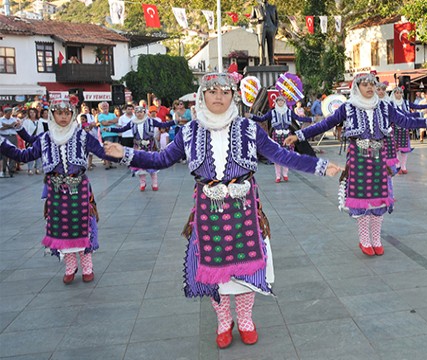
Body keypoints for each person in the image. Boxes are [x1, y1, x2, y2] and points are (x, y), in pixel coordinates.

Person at [103, 72, 341, 349]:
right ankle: (223, 321)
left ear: (233, 96)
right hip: (208, 211)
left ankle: (246, 320)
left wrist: (322, 167)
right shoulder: (189, 131)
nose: (218, 97)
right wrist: (126, 154)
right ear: (202, 96)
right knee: (215, 271)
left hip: (245, 209)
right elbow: (162, 158)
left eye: (225, 92)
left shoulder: (249, 128)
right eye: (213, 91)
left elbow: (281, 155)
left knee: (248, 270)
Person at [284, 72, 427, 257]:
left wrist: (426, 121)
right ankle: (364, 240)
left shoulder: (384, 106)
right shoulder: (348, 107)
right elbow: (325, 124)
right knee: (361, 199)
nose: (369, 88)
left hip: (379, 158)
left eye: (372, 84)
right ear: (357, 87)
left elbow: (405, 120)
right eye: (365, 84)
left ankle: (376, 239)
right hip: (358, 158)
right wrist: (299, 135)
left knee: (380, 197)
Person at [1, 98, 116, 284]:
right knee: (63, 231)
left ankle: (87, 266)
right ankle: (70, 266)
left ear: (72, 115)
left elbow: (103, 152)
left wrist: (129, 155)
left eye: (67, 113)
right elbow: (24, 155)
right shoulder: (45, 138)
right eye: (59, 113)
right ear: (53, 115)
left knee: (83, 227)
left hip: (79, 189)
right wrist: (2, 144)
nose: (63, 117)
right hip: (56, 191)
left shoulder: (83, 136)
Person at [247, 95, 313, 183]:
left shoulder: (289, 112)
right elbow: (262, 118)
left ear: (284, 102)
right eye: (279, 101)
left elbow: (298, 118)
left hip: (287, 135)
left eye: (282, 101)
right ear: (276, 102)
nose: (280, 103)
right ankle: (278, 176)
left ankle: (285, 174)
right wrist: (251, 116)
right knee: (276, 155)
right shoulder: (272, 112)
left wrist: (311, 119)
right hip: (276, 135)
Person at [108, 106, 175, 191]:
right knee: (140, 165)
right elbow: (122, 129)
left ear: (144, 112)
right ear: (135, 113)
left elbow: (162, 125)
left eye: (141, 112)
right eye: (137, 112)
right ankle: (142, 183)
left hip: (150, 145)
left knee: (152, 163)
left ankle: (154, 183)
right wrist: (110, 129)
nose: (139, 114)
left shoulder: (150, 121)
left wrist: (174, 122)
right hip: (138, 145)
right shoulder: (132, 122)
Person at [389, 87, 427, 174]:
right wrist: (420, 113)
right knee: (396, 148)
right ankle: (397, 166)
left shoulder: (405, 102)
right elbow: (404, 114)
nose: (399, 95)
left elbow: (417, 106)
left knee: (404, 148)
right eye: (397, 93)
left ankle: (403, 166)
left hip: (404, 127)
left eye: (400, 93)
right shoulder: (390, 104)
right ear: (393, 94)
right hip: (394, 128)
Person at [19, 107, 46, 175]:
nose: (32, 114)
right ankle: (30, 169)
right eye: (30, 112)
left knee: (38, 155)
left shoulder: (39, 121)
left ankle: (37, 168)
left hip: (37, 139)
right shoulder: (26, 121)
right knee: (30, 154)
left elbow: (41, 130)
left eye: (33, 112)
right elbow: (24, 131)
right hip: (29, 140)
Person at [98, 102, 118, 170]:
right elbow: (104, 123)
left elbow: (116, 120)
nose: (105, 107)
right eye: (103, 106)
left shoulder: (112, 114)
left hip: (115, 133)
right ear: (100, 108)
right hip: (107, 134)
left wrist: (108, 121)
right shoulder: (100, 115)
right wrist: (112, 122)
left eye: (106, 106)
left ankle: (110, 163)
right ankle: (107, 164)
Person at [0, 107, 19, 178]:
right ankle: (3, 169)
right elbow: (1, 128)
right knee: (4, 154)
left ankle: (11, 169)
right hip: (4, 136)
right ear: (5, 113)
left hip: (13, 137)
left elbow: (16, 126)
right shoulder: (1, 120)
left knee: (13, 153)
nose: (10, 114)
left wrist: (6, 126)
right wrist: (11, 126)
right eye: (9, 112)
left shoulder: (14, 119)